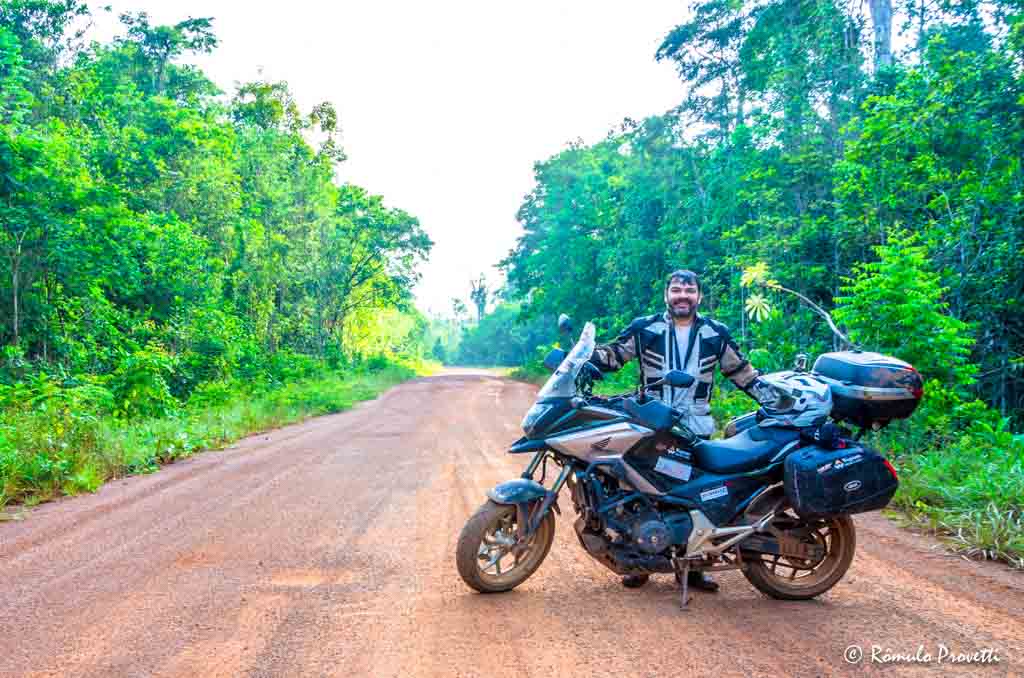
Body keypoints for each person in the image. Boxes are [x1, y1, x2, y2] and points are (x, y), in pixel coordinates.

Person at [589, 269, 776, 592]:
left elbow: (740, 371)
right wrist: (585, 360)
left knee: (694, 496)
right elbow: (616, 355)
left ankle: (693, 569)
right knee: (636, 486)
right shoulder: (645, 328)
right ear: (666, 294)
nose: (682, 296)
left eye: (689, 291)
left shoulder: (715, 333)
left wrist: (773, 397)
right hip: (651, 420)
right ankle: (637, 561)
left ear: (699, 297)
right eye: (677, 290)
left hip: (696, 424)